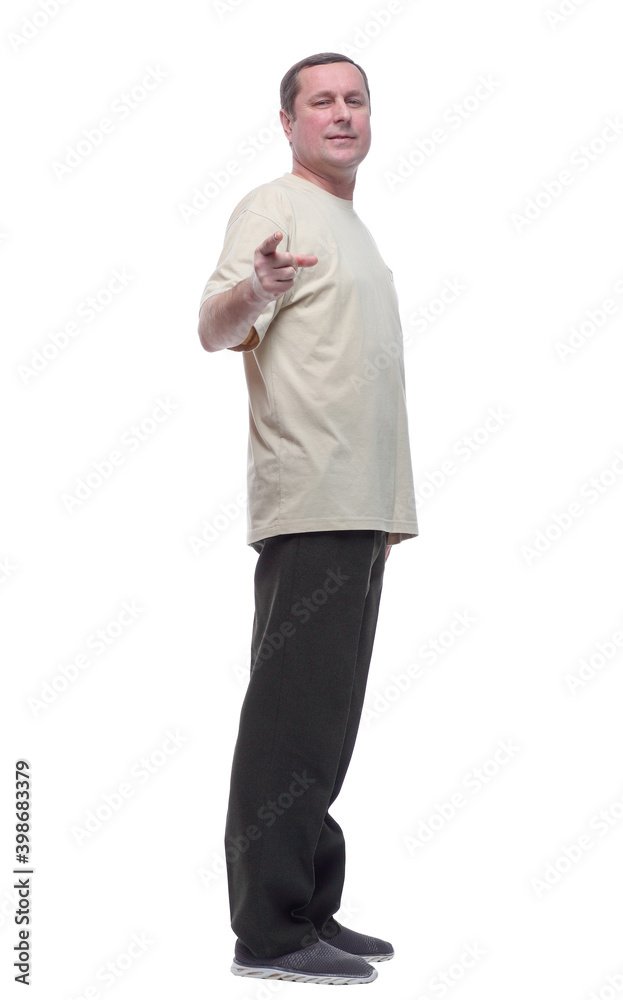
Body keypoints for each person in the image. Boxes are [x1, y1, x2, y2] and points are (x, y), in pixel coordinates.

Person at [197, 52, 418, 986]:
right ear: (287, 123)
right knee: (292, 715)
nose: (340, 113)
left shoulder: (352, 225)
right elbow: (213, 327)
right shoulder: (271, 208)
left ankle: (309, 904)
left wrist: (388, 511)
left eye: (354, 100)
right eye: (320, 101)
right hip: (313, 496)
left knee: (325, 718)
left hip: (361, 503)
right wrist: (257, 288)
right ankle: (270, 933)